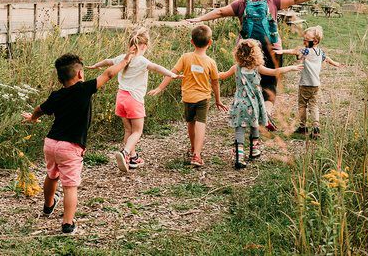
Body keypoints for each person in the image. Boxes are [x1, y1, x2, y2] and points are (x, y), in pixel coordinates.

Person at [188, 0, 332, 129]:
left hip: (247, 49)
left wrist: (199, 18)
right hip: (273, 49)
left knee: (247, 82)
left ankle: (247, 112)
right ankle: (266, 114)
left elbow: (219, 12)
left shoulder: (241, 3)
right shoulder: (273, 0)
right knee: (270, 84)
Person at [22, 50, 134, 234]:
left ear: (60, 79)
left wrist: (33, 118)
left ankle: (48, 206)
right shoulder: (84, 89)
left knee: (51, 175)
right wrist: (126, 59)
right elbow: (109, 73)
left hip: (51, 143)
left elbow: (40, 109)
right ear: (80, 74)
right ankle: (68, 223)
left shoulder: (56, 95)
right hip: (71, 147)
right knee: (70, 185)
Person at [86, 27, 181, 172]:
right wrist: (172, 75)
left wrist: (95, 65)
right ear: (144, 46)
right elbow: (156, 67)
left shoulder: (122, 58)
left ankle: (133, 158)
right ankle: (125, 153)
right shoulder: (142, 61)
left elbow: (107, 61)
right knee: (137, 131)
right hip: (133, 99)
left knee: (128, 130)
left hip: (121, 98)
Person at [148, 25, 229, 167]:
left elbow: (171, 74)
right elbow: (215, 83)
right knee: (201, 123)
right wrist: (218, 100)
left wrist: (160, 88)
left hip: (188, 97)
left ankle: (193, 149)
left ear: (192, 42)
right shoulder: (211, 62)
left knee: (191, 123)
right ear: (210, 43)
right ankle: (197, 155)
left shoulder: (185, 57)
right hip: (203, 98)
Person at [219, 39, 302, 169]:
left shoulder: (236, 68)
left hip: (240, 102)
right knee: (255, 124)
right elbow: (275, 71)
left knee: (240, 128)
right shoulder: (257, 68)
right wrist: (291, 67)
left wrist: (208, 72)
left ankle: (239, 156)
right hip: (254, 103)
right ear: (255, 54)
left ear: (238, 54)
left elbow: (222, 75)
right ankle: (254, 150)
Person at [274, 25, 341, 138]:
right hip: (316, 85)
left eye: (306, 40)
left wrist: (281, 51)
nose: (304, 42)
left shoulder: (306, 51)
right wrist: (335, 63)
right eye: (303, 39)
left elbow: (294, 51)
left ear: (315, 41)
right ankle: (316, 128)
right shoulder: (320, 52)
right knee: (314, 106)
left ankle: (302, 127)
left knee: (302, 105)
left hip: (305, 84)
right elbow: (327, 58)